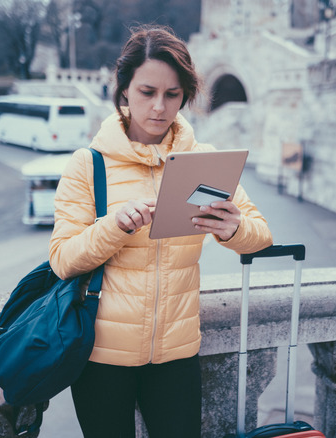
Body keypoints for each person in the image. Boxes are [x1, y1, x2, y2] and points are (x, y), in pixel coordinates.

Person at [49, 25, 273, 437]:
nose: (159, 107)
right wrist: (114, 225)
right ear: (124, 91)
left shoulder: (204, 160)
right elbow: (62, 259)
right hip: (100, 358)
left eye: (172, 95)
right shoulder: (88, 164)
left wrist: (232, 228)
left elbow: (261, 233)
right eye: (147, 91)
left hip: (176, 355)